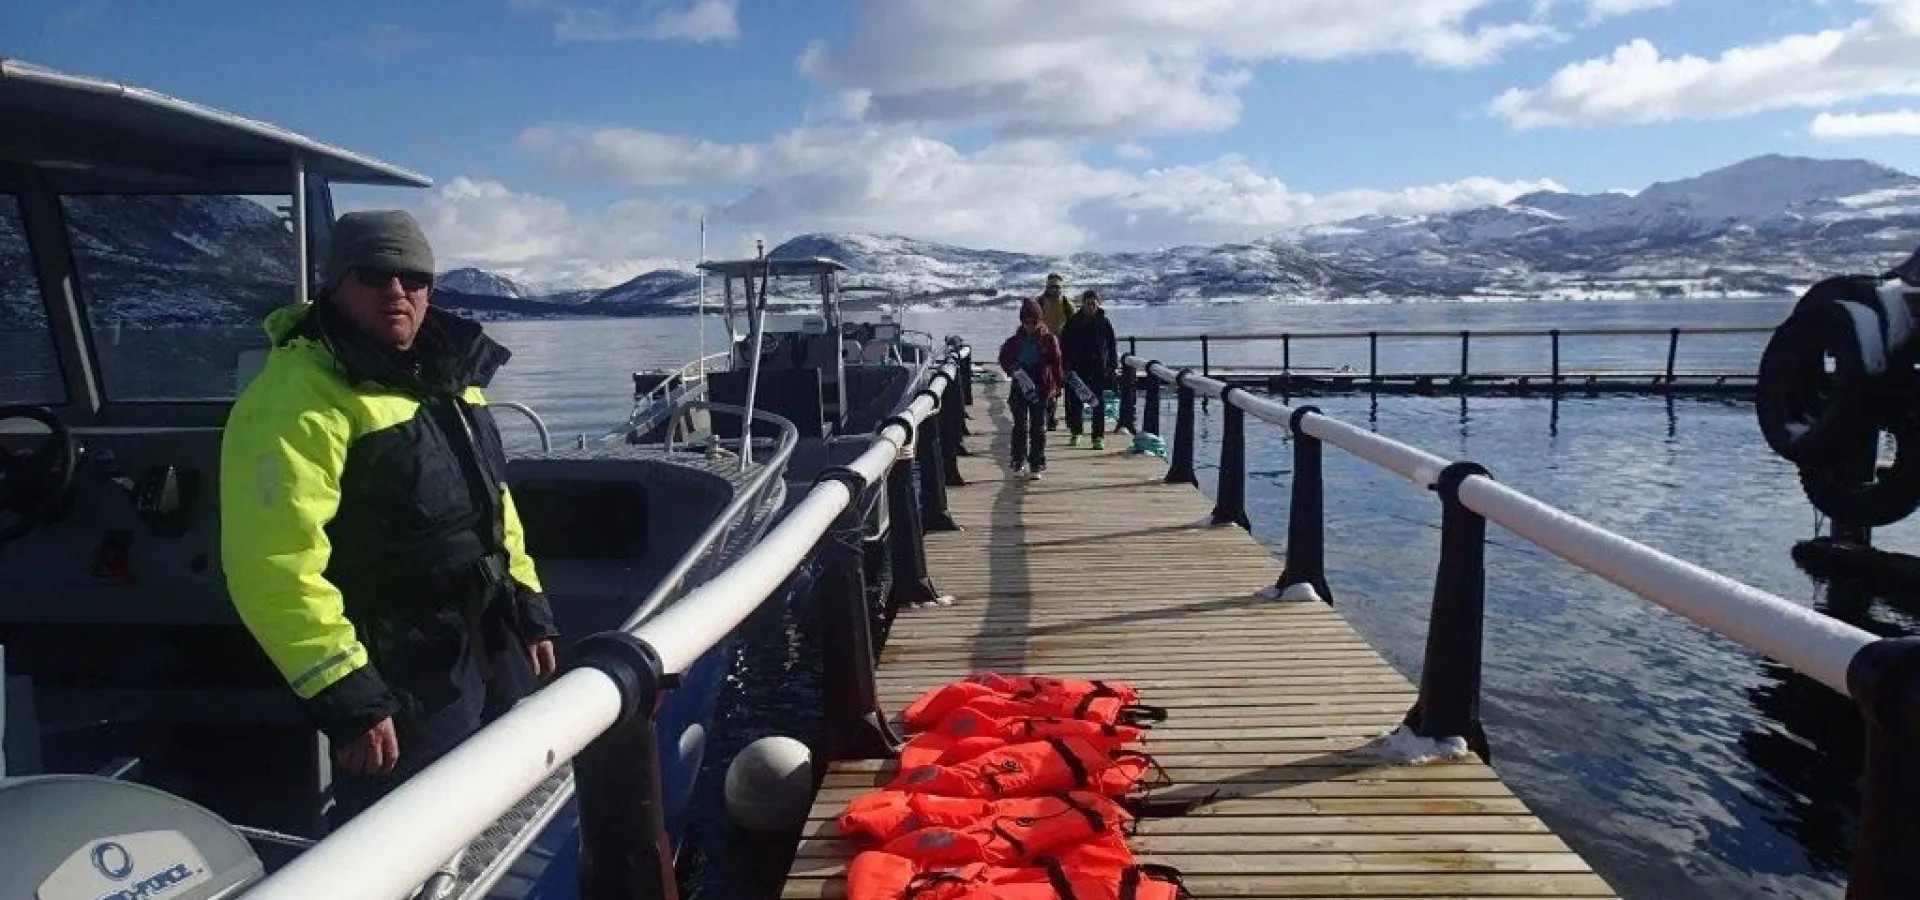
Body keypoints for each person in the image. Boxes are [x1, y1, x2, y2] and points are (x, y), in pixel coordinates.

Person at [219, 210, 558, 828]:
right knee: (415, 825)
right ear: (336, 284)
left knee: (507, 796)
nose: (398, 291)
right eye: (375, 274)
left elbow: (495, 506)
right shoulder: (296, 397)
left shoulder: (449, 374)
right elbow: (272, 564)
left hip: (481, 632)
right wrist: (347, 693)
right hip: (398, 665)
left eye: (415, 276)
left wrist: (526, 598)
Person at [997, 300, 1063, 480]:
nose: (1030, 326)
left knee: (1038, 427)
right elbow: (1003, 359)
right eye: (1026, 322)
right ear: (1021, 322)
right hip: (1020, 386)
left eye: (1034, 322)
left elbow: (1056, 365)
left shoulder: (1049, 340)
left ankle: (1036, 464)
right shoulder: (1014, 342)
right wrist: (1012, 369)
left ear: (1040, 321)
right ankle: (1018, 461)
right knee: (1020, 425)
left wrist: (1057, 388)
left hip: (1041, 386)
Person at [1059, 289, 1119, 450]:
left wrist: (1112, 366)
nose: (1091, 307)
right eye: (1088, 304)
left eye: (1094, 304)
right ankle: (1076, 432)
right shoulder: (1072, 322)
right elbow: (1063, 345)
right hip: (1076, 368)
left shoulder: (1104, 322)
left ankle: (1098, 436)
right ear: (1083, 304)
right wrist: (1064, 366)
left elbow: (1112, 346)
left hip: (1097, 368)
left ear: (1098, 305)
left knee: (1097, 403)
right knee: (1074, 402)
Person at [1035, 274, 1074, 430]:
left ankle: (1051, 417)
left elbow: (1074, 327)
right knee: (1044, 383)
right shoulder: (1039, 303)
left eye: (1057, 287)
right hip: (1042, 348)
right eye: (1052, 286)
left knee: (1057, 384)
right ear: (1047, 287)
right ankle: (1046, 417)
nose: (1055, 290)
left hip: (1062, 350)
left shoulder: (1067, 305)